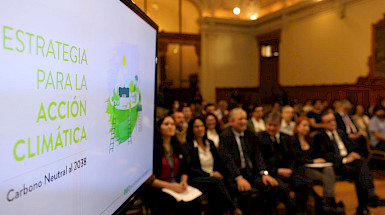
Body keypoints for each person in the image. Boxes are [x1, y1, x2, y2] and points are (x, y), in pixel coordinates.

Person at [313, 111, 385, 215]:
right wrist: (345, 160)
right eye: (328, 122)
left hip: (349, 160)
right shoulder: (320, 136)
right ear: (323, 124)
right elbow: (326, 155)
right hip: (337, 164)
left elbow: (352, 146)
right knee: (360, 172)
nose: (332, 123)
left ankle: (367, 201)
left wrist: (353, 154)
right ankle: (366, 202)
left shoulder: (340, 132)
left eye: (333, 120)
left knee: (361, 163)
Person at [218, 108, 281, 214]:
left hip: (251, 173)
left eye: (245, 118)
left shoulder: (250, 134)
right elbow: (228, 161)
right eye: (240, 119)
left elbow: (257, 155)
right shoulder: (225, 136)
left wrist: (264, 173)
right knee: (245, 193)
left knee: (271, 187)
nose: (244, 121)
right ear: (232, 121)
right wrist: (239, 178)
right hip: (234, 176)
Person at [183, 117, 242, 215]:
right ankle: (234, 209)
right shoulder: (188, 146)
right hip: (198, 178)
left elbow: (219, 162)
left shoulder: (210, 143)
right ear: (191, 129)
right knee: (217, 181)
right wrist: (210, 174)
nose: (200, 129)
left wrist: (221, 173)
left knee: (229, 180)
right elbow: (191, 168)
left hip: (213, 177)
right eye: (196, 127)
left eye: (202, 126)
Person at [143, 116, 201, 214]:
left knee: (197, 203)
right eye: (166, 124)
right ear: (159, 128)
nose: (170, 126)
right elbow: (149, 180)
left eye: (172, 124)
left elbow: (184, 170)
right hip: (159, 188)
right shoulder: (153, 149)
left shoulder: (177, 147)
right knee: (181, 206)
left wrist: (183, 181)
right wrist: (171, 186)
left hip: (176, 185)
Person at [256, 111, 311, 214]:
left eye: (275, 125)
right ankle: (295, 212)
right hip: (272, 173)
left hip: (288, 172)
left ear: (280, 125)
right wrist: (277, 171)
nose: (271, 128)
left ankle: (301, 210)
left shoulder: (287, 138)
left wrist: (290, 170)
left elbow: (293, 157)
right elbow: (260, 160)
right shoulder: (260, 138)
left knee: (304, 184)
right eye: (269, 125)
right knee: (282, 188)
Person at [292, 116, 343, 214]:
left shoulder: (311, 140)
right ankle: (328, 204)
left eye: (308, 126)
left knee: (328, 169)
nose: (306, 128)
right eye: (304, 125)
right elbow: (296, 159)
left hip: (313, 167)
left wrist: (318, 160)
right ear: (297, 126)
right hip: (301, 168)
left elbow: (316, 154)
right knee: (328, 178)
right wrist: (312, 162)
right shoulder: (292, 140)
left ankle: (328, 202)